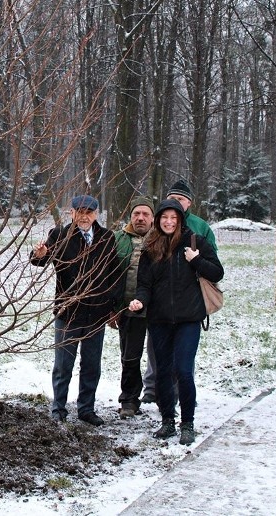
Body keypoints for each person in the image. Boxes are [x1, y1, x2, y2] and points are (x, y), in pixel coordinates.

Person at [128, 199, 223, 445]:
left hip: (188, 319)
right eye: (164, 217)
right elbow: (144, 284)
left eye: (174, 217)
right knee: (162, 372)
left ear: (180, 219)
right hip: (159, 319)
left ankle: (187, 424)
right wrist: (140, 301)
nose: (169, 222)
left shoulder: (195, 242)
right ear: (158, 220)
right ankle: (167, 421)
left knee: (183, 370)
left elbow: (217, 272)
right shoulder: (151, 248)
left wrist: (196, 260)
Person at [31, 194, 121, 426]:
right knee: (63, 366)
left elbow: (114, 275)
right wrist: (38, 255)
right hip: (67, 313)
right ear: (72, 213)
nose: (84, 216)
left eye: (89, 212)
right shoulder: (60, 235)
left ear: (96, 214)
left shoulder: (106, 238)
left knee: (92, 366)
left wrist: (112, 307)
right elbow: (41, 259)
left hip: (96, 315)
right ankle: (58, 409)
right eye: (79, 212)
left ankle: (86, 409)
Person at [141, 179, 217, 404]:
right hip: (161, 311)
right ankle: (155, 393)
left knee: (183, 365)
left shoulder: (200, 228)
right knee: (159, 359)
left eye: (180, 200)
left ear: (189, 204)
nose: (175, 204)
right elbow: (146, 275)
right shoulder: (155, 235)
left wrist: (197, 260)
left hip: (188, 310)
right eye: (172, 199)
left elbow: (214, 265)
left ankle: (184, 401)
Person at [110, 197, 154, 419]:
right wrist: (112, 308)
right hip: (129, 309)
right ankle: (129, 399)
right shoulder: (118, 239)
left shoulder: (160, 239)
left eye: (145, 214)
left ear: (152, 218)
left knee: (164, 356)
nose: (140, 218)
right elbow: (107, 275)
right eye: (137, 213)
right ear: (131, 216)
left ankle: (166, 396)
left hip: (158, 309)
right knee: (129, 356)